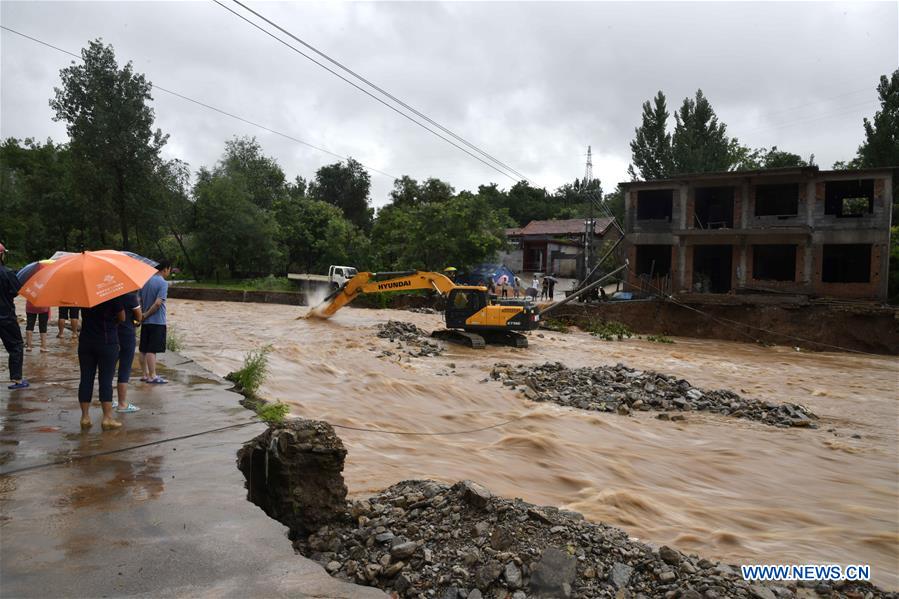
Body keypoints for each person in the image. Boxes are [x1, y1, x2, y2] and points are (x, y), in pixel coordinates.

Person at [78, 295, 126, 430]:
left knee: (86, 379)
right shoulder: (112, 294)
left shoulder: (84, 296)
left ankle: (85, 417)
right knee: (105, 380)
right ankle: (107, 418)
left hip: (86, 342)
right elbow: (122, 317)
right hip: (107, 342)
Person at [139, 260, 171, 384]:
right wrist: (147, 315)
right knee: (152, 350)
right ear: (165, 269)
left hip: (145, 322)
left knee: (143, 349)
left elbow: (139, 300)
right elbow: (158, 303)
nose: (169, 272)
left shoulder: (145, 282)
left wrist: (142, 315)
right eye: (169, 270)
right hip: (157, 322)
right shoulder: (163, 283)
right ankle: (153, 376)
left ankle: (145, 375)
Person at [0, 243, 28, 389]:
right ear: (2, 255)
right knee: (16, 346)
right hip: (6, 317)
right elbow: (16, 291)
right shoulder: (7, 273)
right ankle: (17, 379)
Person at [113, 291, 142, 413]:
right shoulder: (131, 297)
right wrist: (136, 323)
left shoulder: (108, 296)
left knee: (108, 369)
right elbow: (139, 317)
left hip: (110, 335)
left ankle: (108, 400)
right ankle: (122, 404)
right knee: (124, 369)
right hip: (127, 335)